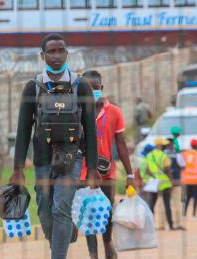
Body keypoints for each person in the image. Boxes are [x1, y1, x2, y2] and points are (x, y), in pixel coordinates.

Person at [10, 34, 101, 259]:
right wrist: (18, 168)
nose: (56, 55)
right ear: (42, 56)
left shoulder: (82, 87)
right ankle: (62, 238)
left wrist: (92, 167)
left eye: (61, 50)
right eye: (51, 51)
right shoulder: (33, 88)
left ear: (67, 54)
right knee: (44, 210)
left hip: (72, 158)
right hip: (42, 159)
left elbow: (90, 129)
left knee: (61, 207)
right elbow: (23, 130)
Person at [79, 70, 134, 259]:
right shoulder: (76, 112)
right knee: (87, 212)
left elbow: (121, 143)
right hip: (83, 171)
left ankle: (107, 241)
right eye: (86, 89)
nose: (91, 92)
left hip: (107, 171)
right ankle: (92, 253)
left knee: (106, 210)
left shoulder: (114, 112)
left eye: (94, 88)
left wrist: (130, 174)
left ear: (101, 88)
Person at [141, 138, 181, 231]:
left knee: (152, 205)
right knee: (167, 205)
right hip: (164, 183)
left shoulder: (149, 155)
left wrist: (153, 177)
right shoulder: (164, 156)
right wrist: (171, 181)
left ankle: (150, 226)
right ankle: (171, 226)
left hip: (154, 183)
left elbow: (147, 171)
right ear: (160, 145)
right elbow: (167, 170)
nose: (165, 146)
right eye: (163, 145)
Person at [162, 138, 185, 230]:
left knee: (164, 204)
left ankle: (162, 224)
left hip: (164, 183)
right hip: (175, 182)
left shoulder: (162, 154)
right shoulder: (177, 155)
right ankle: (178, 223)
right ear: (172, 145)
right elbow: (183, 165)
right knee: (177, 203)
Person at [181, 139, 197, 219]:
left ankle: (184, 214)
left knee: (188, 196)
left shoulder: (185, 154)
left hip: (187, 179)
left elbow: (181, 163)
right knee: (195, 197)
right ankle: (194, 215)